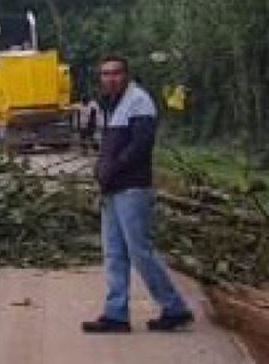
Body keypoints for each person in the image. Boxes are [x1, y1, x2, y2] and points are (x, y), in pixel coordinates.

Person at [82, 57, 194, 334]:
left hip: (131, 189)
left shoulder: (139, 101)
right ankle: (116, 314)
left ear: (127, 75)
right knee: (114, 254)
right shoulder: (112, 104)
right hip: (112, 189)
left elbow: (140, 147)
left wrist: (112, 170)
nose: (111, 78)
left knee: (139, 251)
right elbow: (109, 147)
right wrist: (101, 171)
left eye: (116, 73)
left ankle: (174, 308)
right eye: (105, 74)